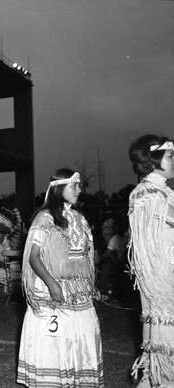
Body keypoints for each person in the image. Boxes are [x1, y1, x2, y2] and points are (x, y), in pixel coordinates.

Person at [17, 168, 103, 387]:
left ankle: (75, 379)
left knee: (79, 338)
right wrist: (53, 284)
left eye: (79, 185)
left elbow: (86, 257)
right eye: (73, 185)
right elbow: (34, 258)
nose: (79, 190)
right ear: (58, 188)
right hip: (50, 289)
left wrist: (91, 284)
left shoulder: (80, 219)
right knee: (55, 342)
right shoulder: (44, 217)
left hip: (78, 292)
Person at [128, 134, 174, 387]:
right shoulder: (146, 192)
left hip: (168, 277)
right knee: (164, 348)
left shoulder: (161, 191)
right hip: (162, 283)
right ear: (153, 158)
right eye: (170, 156)